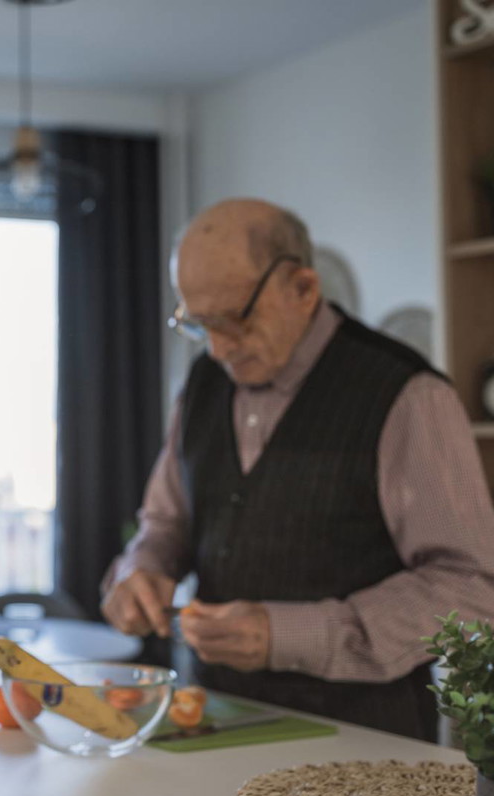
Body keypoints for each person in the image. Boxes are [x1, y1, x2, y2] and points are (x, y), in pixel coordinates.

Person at [101, 197, 494, 741]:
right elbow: (165, 526)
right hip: (212, 728)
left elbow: (470, 588)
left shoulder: (408, 395)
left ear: (304, 289)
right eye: (197, 324)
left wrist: (288, 634)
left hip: (366, 748)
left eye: (234, 320)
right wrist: (137, 573)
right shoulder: (201, 387)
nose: (216, 349)